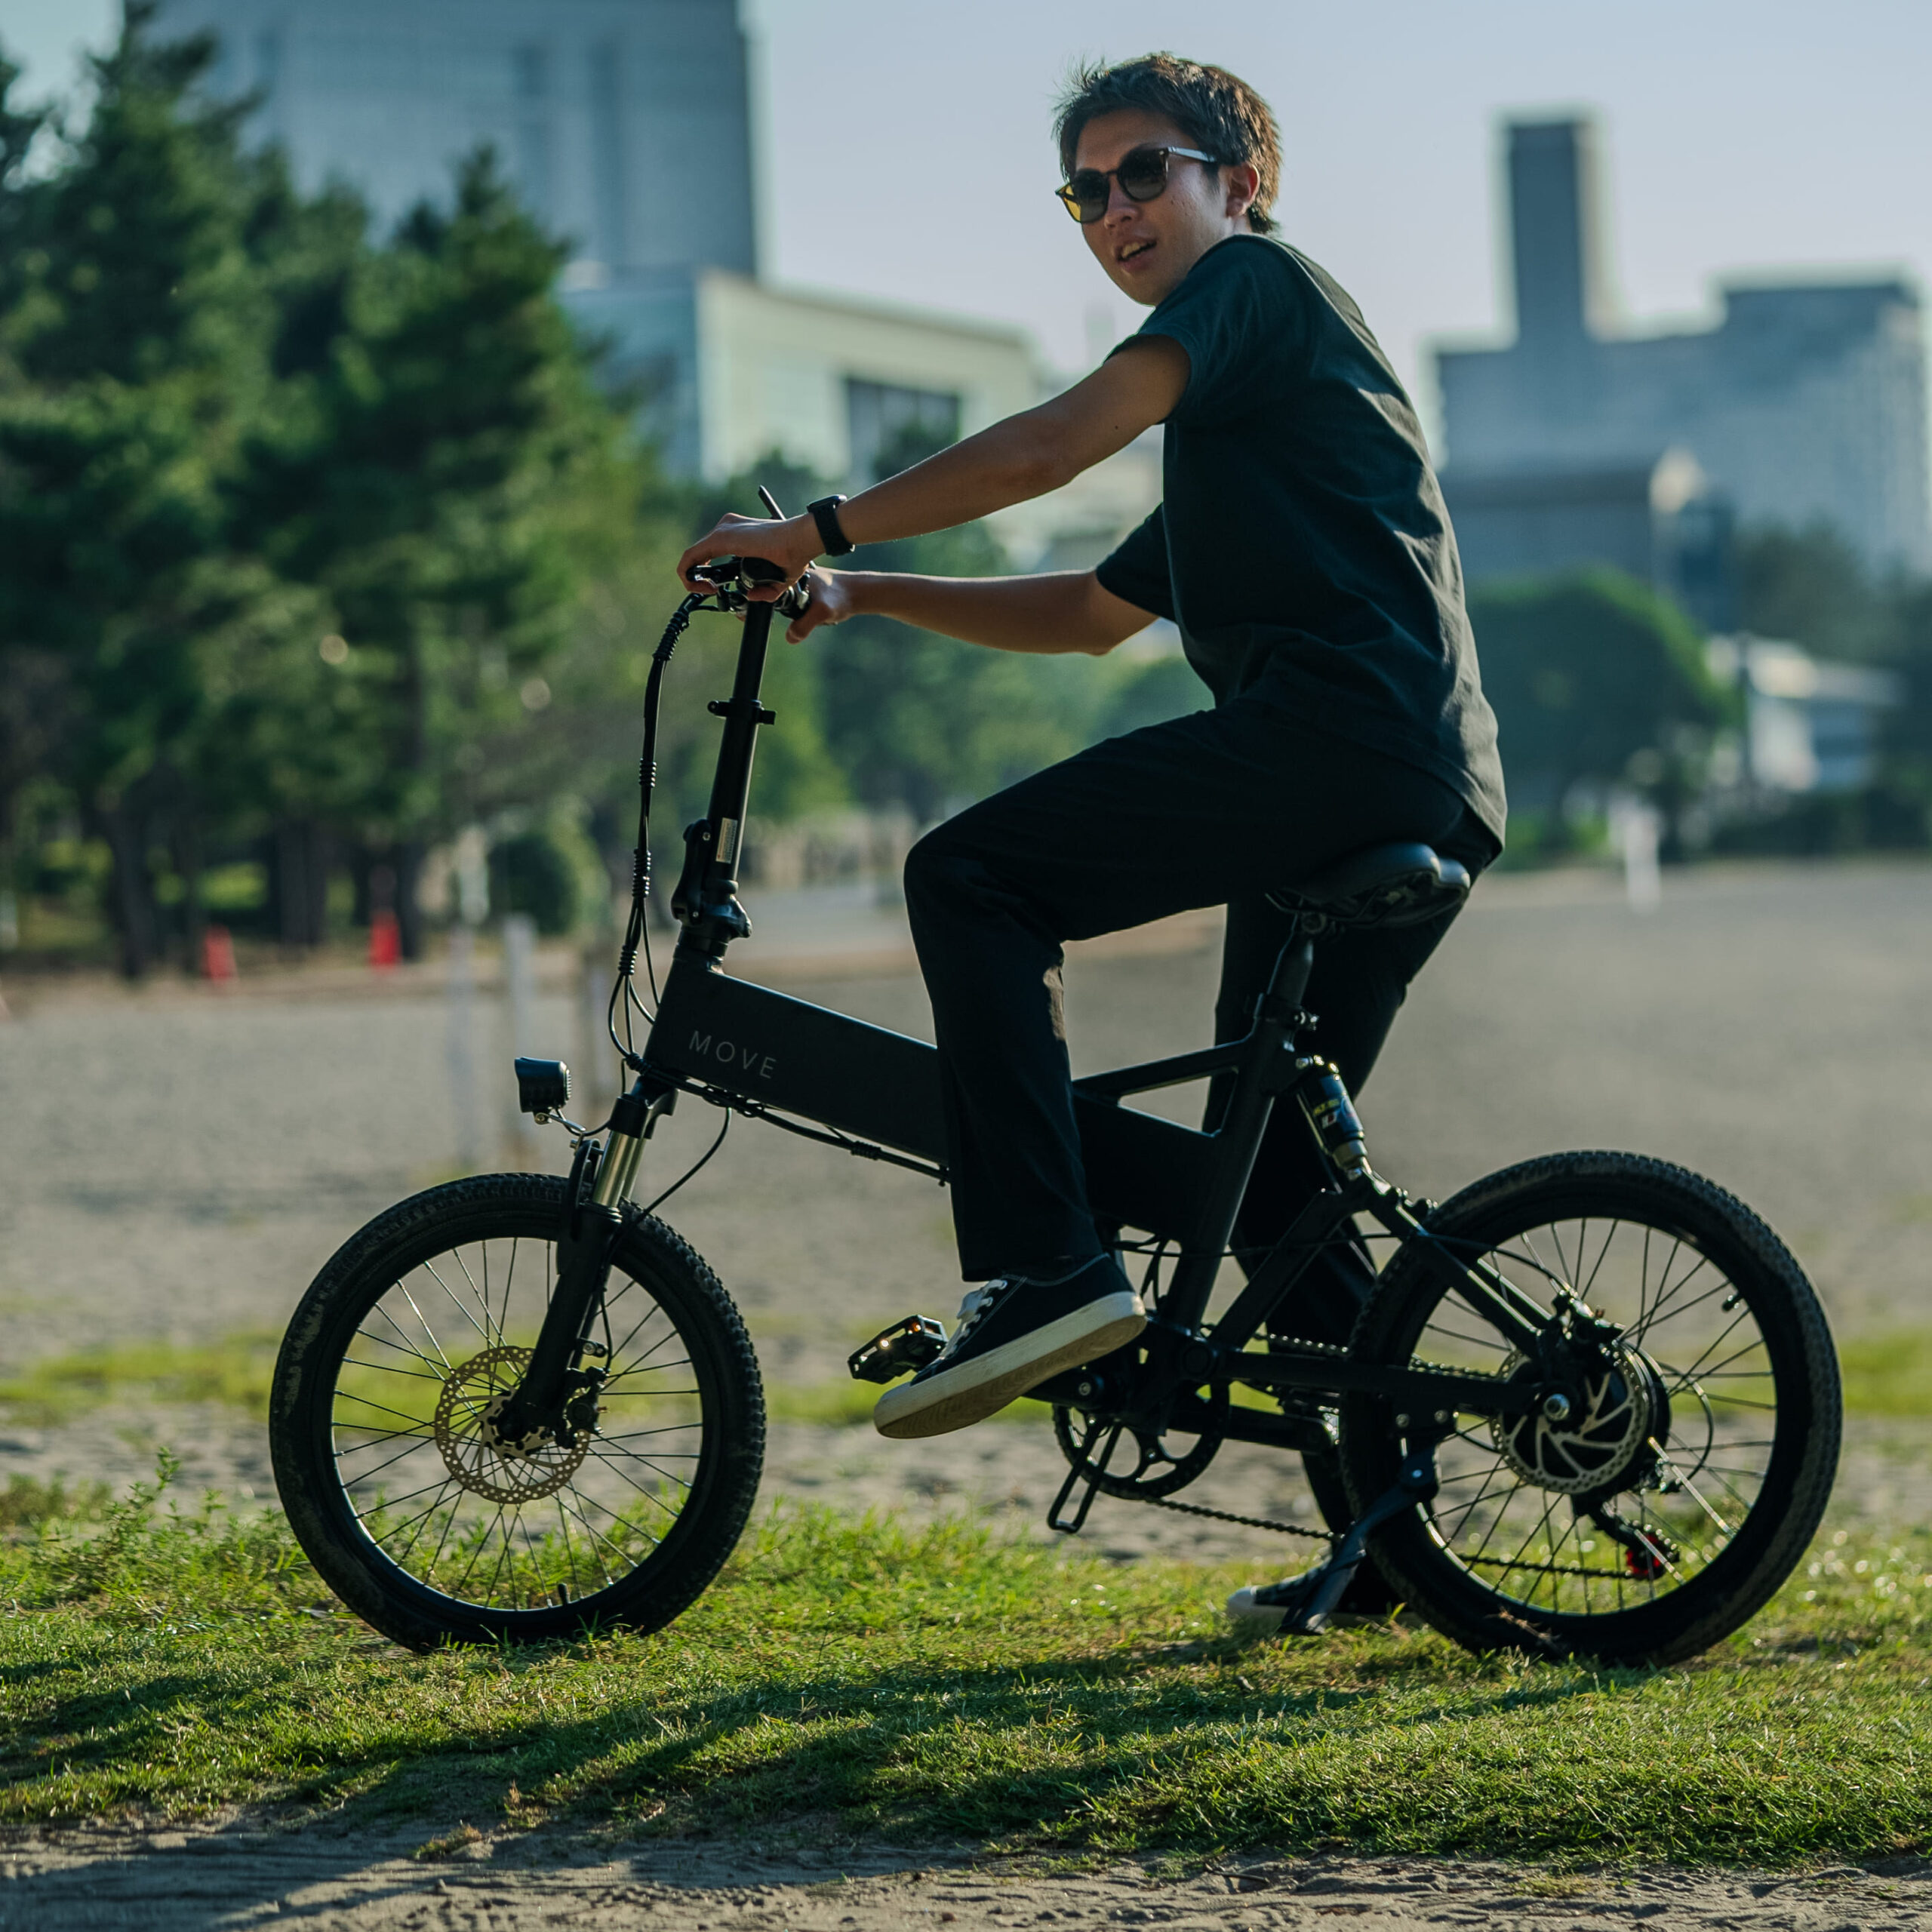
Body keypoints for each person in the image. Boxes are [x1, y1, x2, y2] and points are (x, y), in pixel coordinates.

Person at [677, 53, 1506, 1444]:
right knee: (1274, 1188)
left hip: (1338, 743)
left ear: (1238, 187)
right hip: (1406, 765)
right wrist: (863, 593)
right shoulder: (1251, 415)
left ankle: (1051, 1269)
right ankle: (1393, 1526)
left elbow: (1051, 447)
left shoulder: (1251, 291)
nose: (1115, 208)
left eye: (1144, 173)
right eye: (1085, 191)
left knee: (969, 878)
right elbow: (1086, 615)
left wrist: (810, 530)